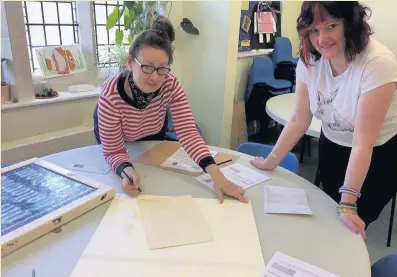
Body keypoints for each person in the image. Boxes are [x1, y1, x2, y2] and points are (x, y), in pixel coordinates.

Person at [252, 1, 397, 239]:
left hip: (376, 156)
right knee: (331, 215)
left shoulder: (377, 63)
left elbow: (363, 142)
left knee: (352, 227)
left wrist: (349, 203)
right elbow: (299, 119)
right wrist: (271, 161)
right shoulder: (310, 60)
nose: (322, 39)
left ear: (350, 24)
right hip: (333, 146)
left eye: (332, 26)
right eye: (314, 30)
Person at [94, 15, 247, 204]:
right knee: (121, 172)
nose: (155, 77)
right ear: (130, 62)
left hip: (150, 130)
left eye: (162, 68)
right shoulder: (110, 95)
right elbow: (114, 151)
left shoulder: (171, 85)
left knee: (154, 176)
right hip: (119, 134)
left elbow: (189, 133)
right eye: (147, 67)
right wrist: (127, 171)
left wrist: (218, 178)